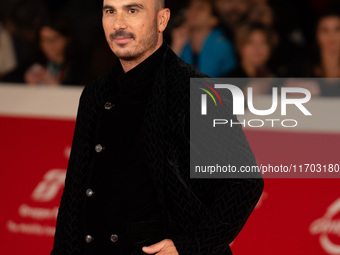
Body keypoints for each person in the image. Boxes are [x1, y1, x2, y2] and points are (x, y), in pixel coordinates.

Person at [51, 0, 264, 255]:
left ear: (161, 20)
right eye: (110, 12)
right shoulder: (94, 95)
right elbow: (75, 192)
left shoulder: (196, 90)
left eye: (133, 10)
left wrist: (189, 247)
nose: (119, 24)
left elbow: (244, 183)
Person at [171, 0, 236, 77]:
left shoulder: (222, 46)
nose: (192, 11)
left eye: (200, 8)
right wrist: (176, 47)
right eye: (189, 7)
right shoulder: (182, 42)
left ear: (213, 20)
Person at [24, 15, 83, 86]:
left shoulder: (80, 67)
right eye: (44, 40)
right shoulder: (35, 62)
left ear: (67, 39)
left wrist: (56, 86)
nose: (49, 45)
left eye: (54, 39)